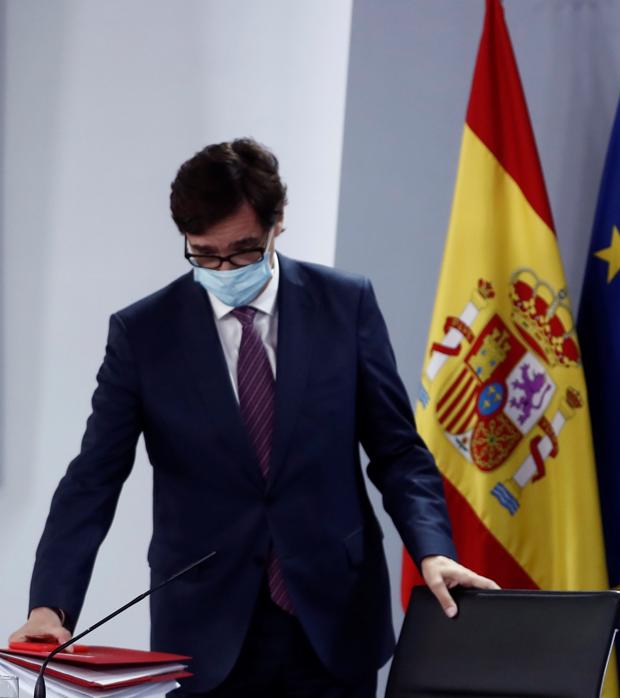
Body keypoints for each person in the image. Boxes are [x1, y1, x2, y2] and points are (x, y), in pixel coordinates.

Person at [8, 138, 498, 697]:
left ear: (276, 225)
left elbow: (398, 452)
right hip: (204, 629)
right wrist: (50, 606)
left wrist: (433, 549)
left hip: (333, 621)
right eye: (204, 254)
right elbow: (92, 479)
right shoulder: (143, 334)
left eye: (243, 252)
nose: (224, 268)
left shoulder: (345, 305)